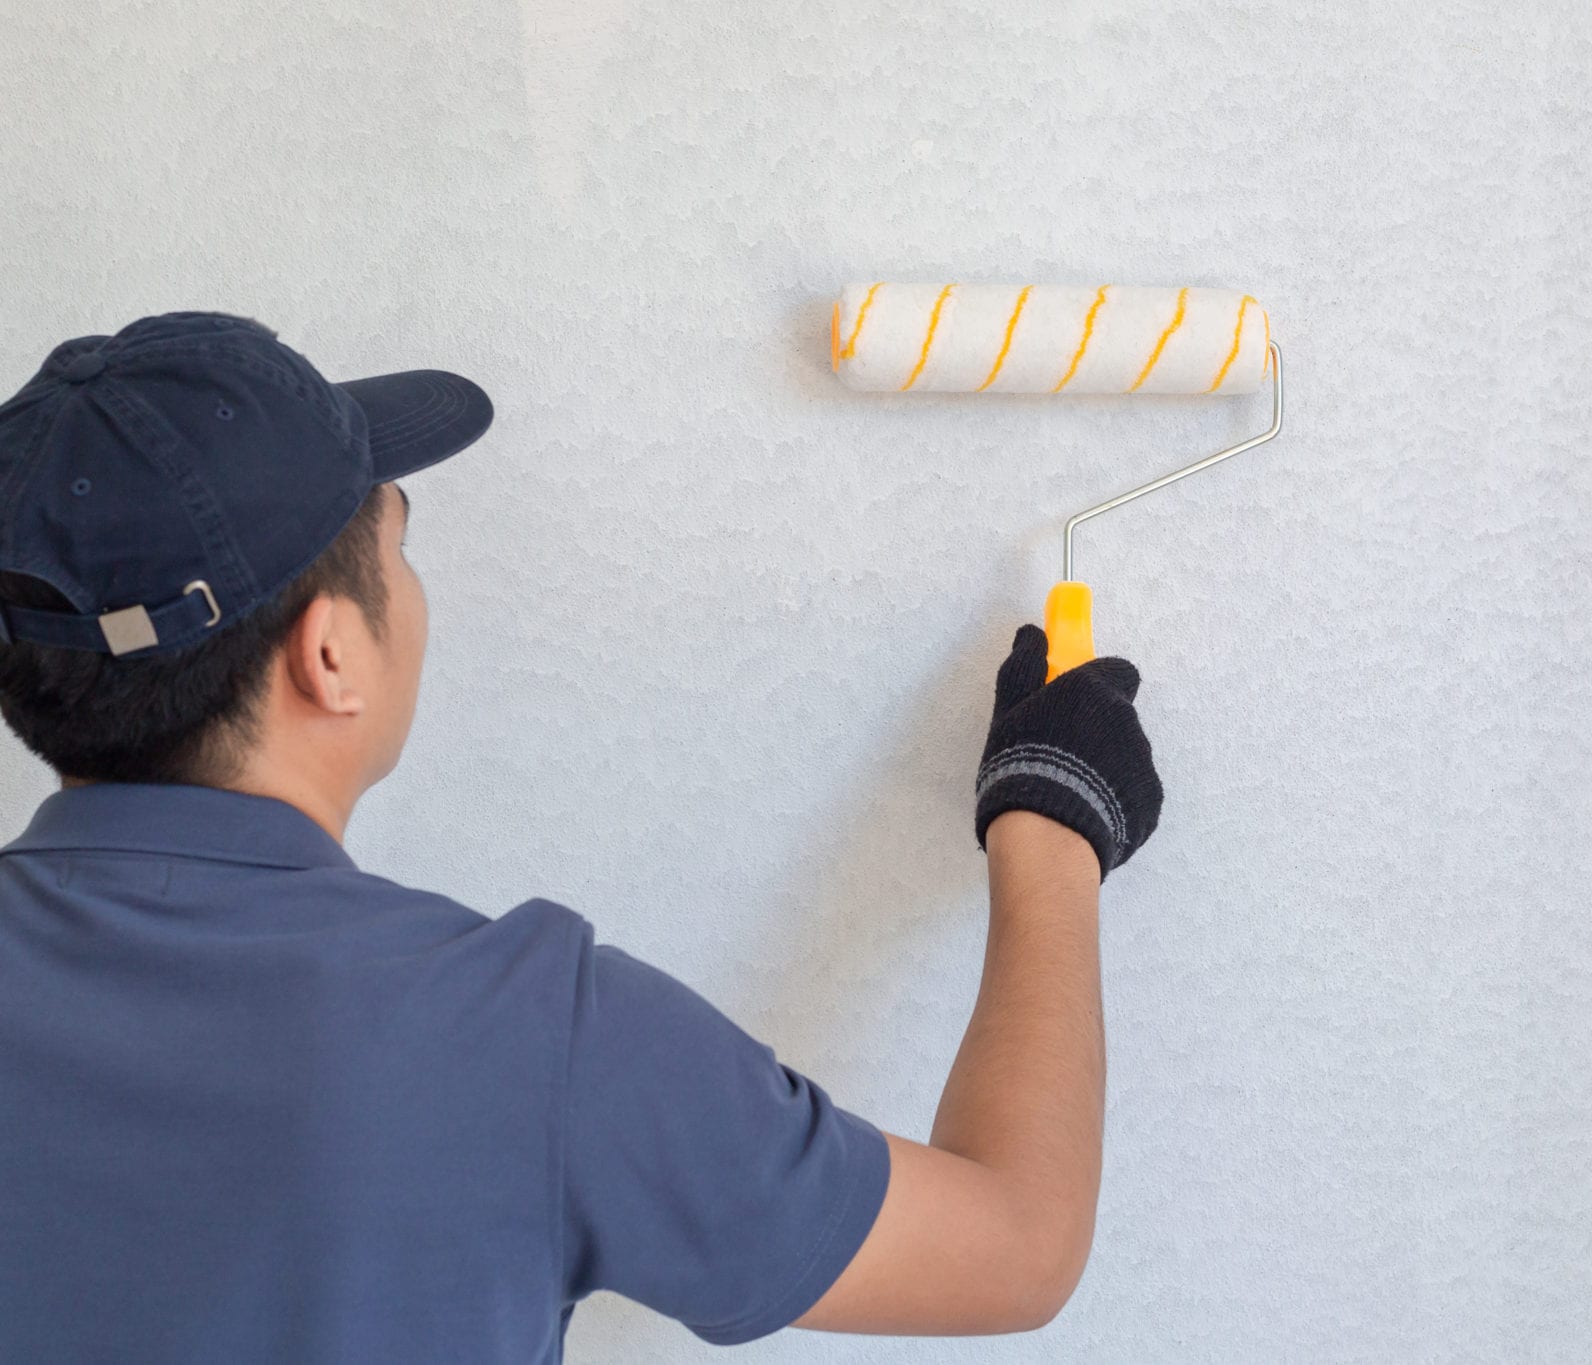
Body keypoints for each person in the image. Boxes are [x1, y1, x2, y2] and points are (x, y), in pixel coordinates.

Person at [0, 312, 1164, 1361]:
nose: (411, 584)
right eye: (398, 547)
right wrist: (1051, 820)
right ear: (331, 657)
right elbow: (1015, 1243)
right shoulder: (520, 1041)